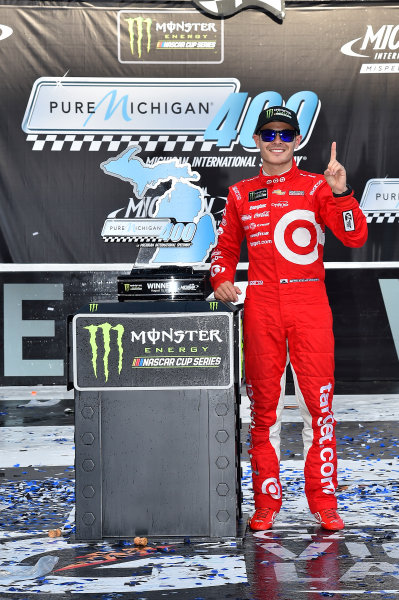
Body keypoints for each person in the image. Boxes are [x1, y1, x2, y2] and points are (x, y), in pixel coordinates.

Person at [210, 106, 368, 531]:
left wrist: (341, 192)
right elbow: (224, 250)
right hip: (261, 307)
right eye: (269, 133)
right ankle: (267, 503)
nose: (277, 141)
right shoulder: (241, 193)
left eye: (285, 134)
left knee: (319, 408)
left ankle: (324, 502)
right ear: (257, 140)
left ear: (297, 141)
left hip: (309, 303)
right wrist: (221, 277)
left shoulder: (319, 186)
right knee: (265, 409)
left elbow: (354, 235)